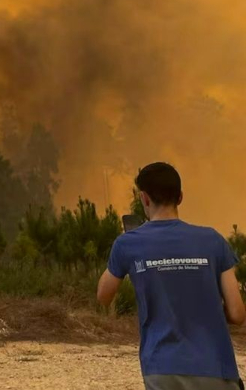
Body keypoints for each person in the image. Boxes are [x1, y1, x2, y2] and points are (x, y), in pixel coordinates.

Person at [97, 162, 246, 390]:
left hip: (162, 368)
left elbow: (103, 296)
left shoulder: (127, 244)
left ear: (144, 199)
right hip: (216, 369)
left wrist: (126, 256)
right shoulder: (213, 240)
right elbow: (237, 314)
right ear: (180, 197)